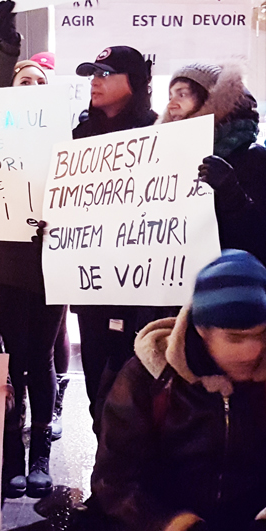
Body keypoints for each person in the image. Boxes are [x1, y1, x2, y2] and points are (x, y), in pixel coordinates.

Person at [92, 250, 266, 531]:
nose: (252, 350)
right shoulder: (149, 378)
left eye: (260, 335)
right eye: (235, 338)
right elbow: (115, 478)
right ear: (202, 329)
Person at [0, 2, 66, 497]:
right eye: (22, 81)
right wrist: (5, 50)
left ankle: (40, 453)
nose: (30, 87)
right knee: (3, 362)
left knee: (38, 359)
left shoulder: (66, 139)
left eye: (38, 82)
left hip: (48, 267)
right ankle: (9, 454)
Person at [71, 45, 167, 429]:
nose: (95, 81)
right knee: (97, 386)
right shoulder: (78, 137)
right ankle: (105, 460)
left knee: (141, 388)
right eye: (93, 74)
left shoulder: (161, 135)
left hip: (142, 287)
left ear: (135, 82)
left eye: (106, 74)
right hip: (92, 284)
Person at [163, 61, 266, 258]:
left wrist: (231, 193)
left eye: (182, 94)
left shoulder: (253, 158)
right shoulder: (168, 157)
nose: (171, 104)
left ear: (211, 98)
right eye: (170, 96)